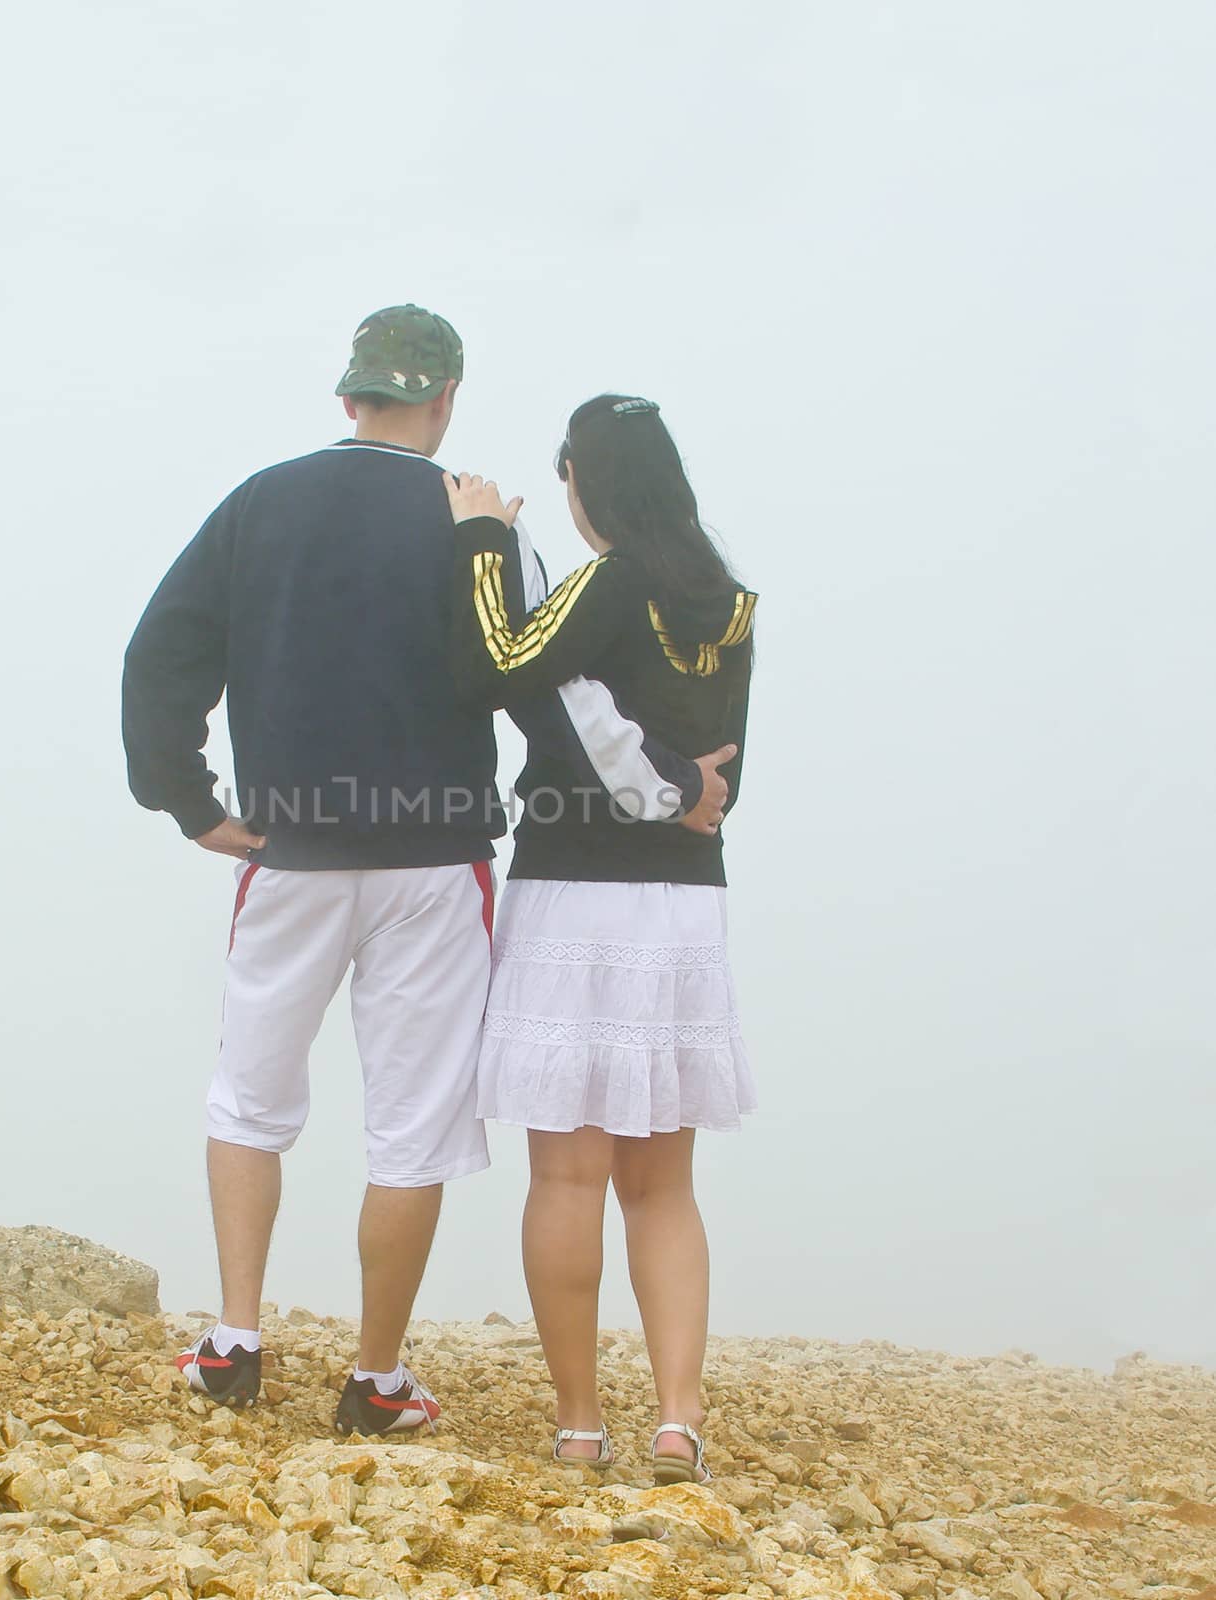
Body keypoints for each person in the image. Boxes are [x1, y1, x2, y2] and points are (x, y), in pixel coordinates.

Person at [121, 310, 735, 1438]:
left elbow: (160, 652)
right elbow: (551, 686)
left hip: (292, 846)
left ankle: (234, 1344)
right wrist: (668, 784)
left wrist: (191, 799)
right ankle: (377, 1375)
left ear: (347, 394)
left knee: (250, 1096)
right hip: (438, 859)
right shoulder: (483, 522)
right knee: (409, 1124)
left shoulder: (259, 502)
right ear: (447, 397)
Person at [443, 395, 757, 1484]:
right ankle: (679, 1419)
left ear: (585, 479)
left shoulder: (607, 580)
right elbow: (720, 780)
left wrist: (484, 536)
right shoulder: (730, 602)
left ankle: (580, 1425)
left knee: (569, 1179)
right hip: (683, 905)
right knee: (664, 1184)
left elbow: (501, 658)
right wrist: (683, 792)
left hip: (577, 891)